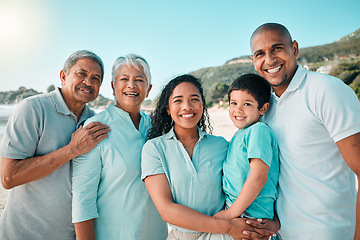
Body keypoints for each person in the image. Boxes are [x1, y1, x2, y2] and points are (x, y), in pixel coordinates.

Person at [250, 23, 360, 240]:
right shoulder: (264, 108)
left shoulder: (326, 90)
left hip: (334, 234)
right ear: (253, 61)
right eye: (260, 53)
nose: (269, 60)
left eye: (277, 48)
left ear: (295, 49)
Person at [142, 74, 278, 240]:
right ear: (168, 108)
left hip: (227, 233)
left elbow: (258, 180)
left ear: (202, 105)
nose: (187, 106)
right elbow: (167, 210)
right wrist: (227, 225)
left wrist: (275, 222)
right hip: (198, 233)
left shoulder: (222, 145)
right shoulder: (154, 149)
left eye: (194, 99)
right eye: (178, 100)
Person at [0, 50, 110, 240]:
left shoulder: (95, 121)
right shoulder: (33, 108)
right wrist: (72, 150)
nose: (88, 82)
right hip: (23, 235)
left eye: (96, 78)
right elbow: (9, 177)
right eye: (81, 74)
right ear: (63, 76)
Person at [71, 54, 167, 240]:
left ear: (149, 89)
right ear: (113, 87)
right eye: (124, 79)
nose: (131, 85)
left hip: (156, 234)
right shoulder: (94, 128)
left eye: (139, 80)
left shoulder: (156, 128)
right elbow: (83, 198)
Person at [213, 74, 280, 239]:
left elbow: (258, 177)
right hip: (240, 211)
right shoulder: (242, 133)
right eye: (233, 103)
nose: (238, 110)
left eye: (247, 104)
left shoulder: (258, 131)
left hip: (250, 217)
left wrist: (231, 214)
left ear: (263, 109)